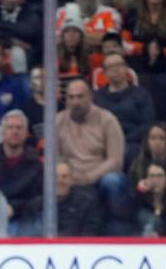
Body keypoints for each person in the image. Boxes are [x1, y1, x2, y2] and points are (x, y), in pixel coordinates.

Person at [56, 78, 130, 229]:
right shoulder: (58, 121)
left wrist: (88, 177)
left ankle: (118, 228)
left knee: (113, 180)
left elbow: (115, 160)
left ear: (90, 96)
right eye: (71, 97)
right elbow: (56, 158)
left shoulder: (108, 120)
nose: (75, 102)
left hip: (100, 179)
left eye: (80, 96)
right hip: (70, 179)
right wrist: (69, 177)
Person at [0, 110, 43, 236]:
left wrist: (14, 208)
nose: (15, 131)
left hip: (23, 218)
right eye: (10, 127)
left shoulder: (35, 161)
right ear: (2, 132)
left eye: (19, 128)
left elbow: (39, 197)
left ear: (26, 133)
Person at [93, 52, 155, 165]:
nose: (115, 69)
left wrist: (123, 140)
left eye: (119, 65)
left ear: (126, 68)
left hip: (133, 143)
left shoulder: (141, 94)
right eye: (111, 67)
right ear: (105, 73)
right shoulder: (97, 98)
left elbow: (148, 124)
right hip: (104, 144)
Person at [128, 122, 166, 192]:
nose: (157, 142)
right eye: (153, 138)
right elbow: (132, 192)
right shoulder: (138, 164)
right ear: (147, 141)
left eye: (162, 138)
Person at [133, 161, 166, 236]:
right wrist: (139, 192)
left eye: (160, 176)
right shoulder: (140, 199)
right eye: (152, 176)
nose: (155, 180)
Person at [56, 160, 103, 236]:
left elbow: (89, 234)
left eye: (64, 177)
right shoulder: (37, 206)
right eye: (54, 177)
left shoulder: (87, 203)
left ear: (72, 181)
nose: (59, 181)